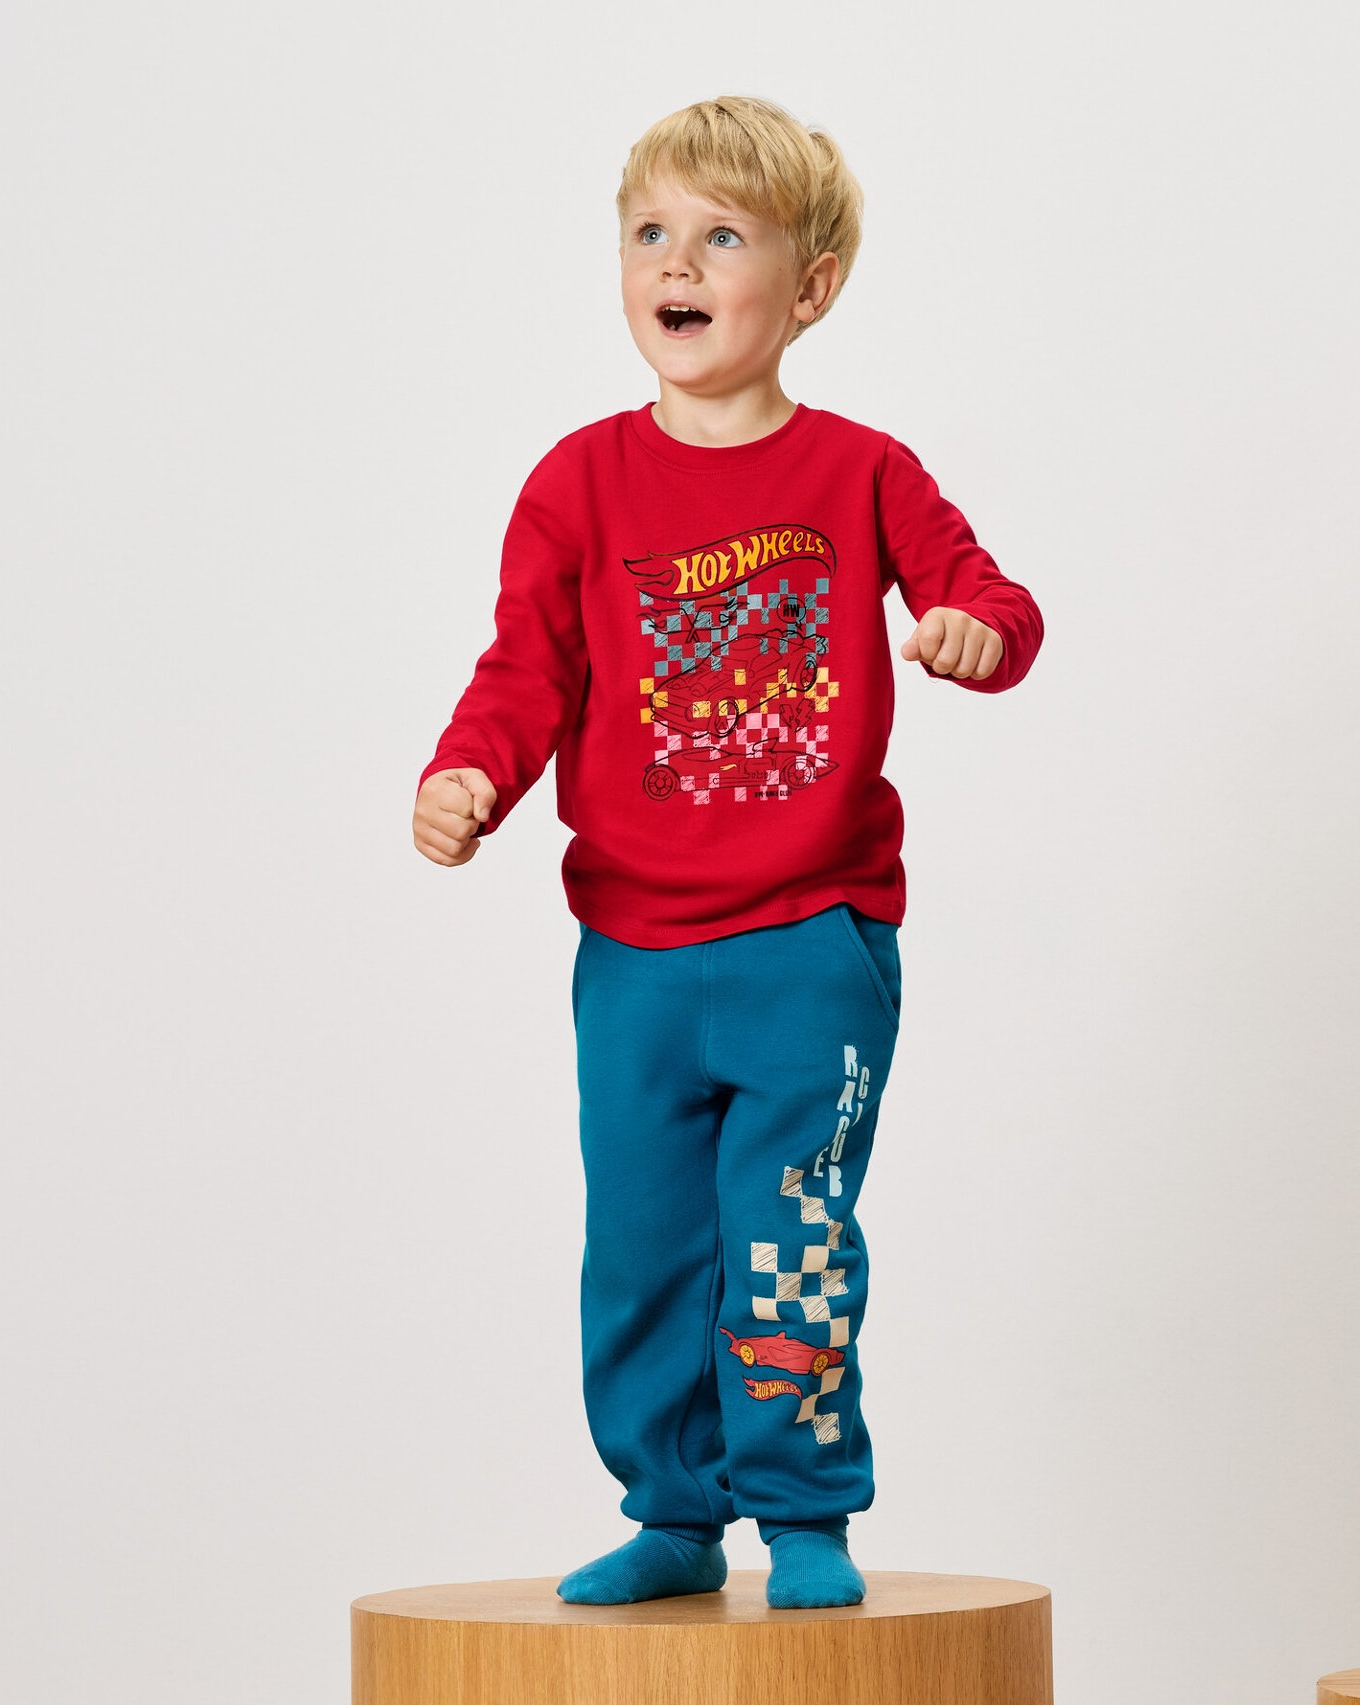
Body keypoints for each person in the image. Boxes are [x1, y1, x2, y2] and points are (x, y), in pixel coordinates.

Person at [412, 96, 1042, 1608]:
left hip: (805, 940)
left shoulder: (862, 471)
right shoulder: (579, 483)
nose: (673, 264)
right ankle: (672, 1507)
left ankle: (806, 1510)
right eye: (649, 234)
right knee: (639, 1248)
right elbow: (525, 666)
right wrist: (469, 769)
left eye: (720, 237)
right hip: (633, 956)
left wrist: (969, 630)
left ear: (808, 288)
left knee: (788, 1243)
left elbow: (993, 596)